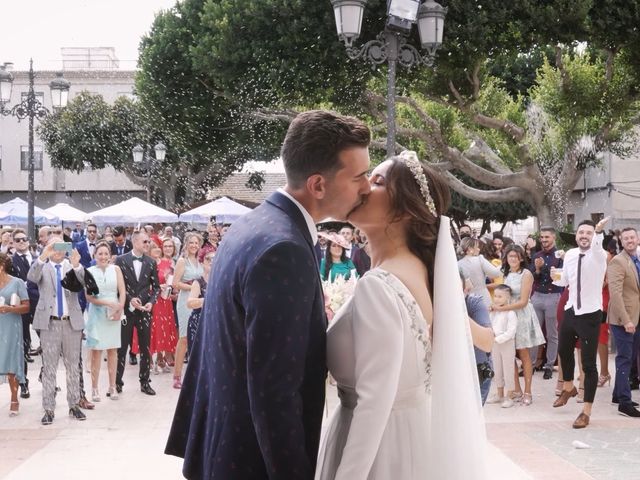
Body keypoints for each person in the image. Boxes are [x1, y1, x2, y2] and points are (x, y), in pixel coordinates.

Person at [165, 110, 373, 479]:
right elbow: (275, 391)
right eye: (359, 177)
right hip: (250, 462)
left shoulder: (252, 224)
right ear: (318, 185)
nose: (367, 188)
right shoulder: (283, 248)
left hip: (224, 447)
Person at [315, 151, 491, 479]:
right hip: (413, 438)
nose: (365, 186)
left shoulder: (378, 285)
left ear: (404, 210)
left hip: (379, 453)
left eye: (378, 181)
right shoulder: (424, 275)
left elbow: (374, 402)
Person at [553, 218, 609, 429]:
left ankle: (586, 412)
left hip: (590, 314)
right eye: (581, 233)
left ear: (592, 237)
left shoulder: (599, 254)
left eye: (588, 233)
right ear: (576, 236)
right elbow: (565, 280)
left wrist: (599, 231)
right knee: (563, 351)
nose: (584, 236)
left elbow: (597, 246)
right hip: (571, 310)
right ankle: (568, 387)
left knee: (588, 364)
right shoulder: (570, 254)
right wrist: (556, 277)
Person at [28, 239, 88, 425]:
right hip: (50, 323)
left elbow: (84, 282)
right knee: (49, 368)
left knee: (73, 366)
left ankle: (74, 404)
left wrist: (77, 264)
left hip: (71, 323)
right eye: (54, 247)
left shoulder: (72, 266)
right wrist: (43, 255)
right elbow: (31, 277)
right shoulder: (43, 266)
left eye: (61, 247)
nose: (57, 251)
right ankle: (48, 408)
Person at [492, 244, 545, 406]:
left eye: (516, 256)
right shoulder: (505, 273)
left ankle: (528, 391)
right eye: (510, 256)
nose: (513, 259)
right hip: (507, 316)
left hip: (521, 315)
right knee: (509, 354)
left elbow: (522, 302)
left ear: (521, 258)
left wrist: (501, 308)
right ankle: (516, 390)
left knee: (523, 354)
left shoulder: (526, 274)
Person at [114, 231, 160, 396]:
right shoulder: (120, 260)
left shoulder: (151, 262)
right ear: (135, 242)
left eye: (148, 242)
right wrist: (129, 299)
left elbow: (156, 287)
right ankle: (117, 383)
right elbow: (117, 286)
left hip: (144, 312)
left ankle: (145, 382)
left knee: (145, 347)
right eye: (145, 242)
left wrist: (151, 302)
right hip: (126, 311)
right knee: (122, 348)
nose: (148, 244)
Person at [85, 242, 126, 401]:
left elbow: (122, 290)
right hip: (97, 313)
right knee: (96, 352)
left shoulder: (116, 269)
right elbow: (89, 297)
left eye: (105, 254)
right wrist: (107, 303)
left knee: (113, 351)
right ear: (95, 255)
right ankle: (94, 388)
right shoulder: (88, 271)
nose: (103, 257)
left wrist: (119, 308)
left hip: (114, 313)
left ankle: (112, 386)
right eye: (100, 254)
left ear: (110, 255)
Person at [606, 227, 640, 417]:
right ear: (621, 240)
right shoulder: (618, 262)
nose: (629, 240)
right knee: (625, 359)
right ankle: (624, 404)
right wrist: (626, 320)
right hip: (623, 319)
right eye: (626, 238)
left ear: (637, 239)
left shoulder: (635, 259)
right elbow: (616, 295)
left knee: (629, 357)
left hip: (636, 316)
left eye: (632, 237)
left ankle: (618, 395)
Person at [530, 226, 564, 380]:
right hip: (537, 296)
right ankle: (530, 364)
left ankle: (549, 366)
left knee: (552, 334)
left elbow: (562, 280)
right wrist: (537, 269)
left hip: (553, 296)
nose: (544, 240)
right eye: (542, 237)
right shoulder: (536, 255)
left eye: (547, 237)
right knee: (534, 332)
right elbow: (532, 277)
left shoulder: (560, 255)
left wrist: (554, 272)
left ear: (553, 237)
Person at [171, 232, 203, 389]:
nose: (194, 245)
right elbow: (175, 283)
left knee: (197, 338)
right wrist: (194, 287)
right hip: (185, 301)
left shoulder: (200, 262)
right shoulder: (182, 261)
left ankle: (195, 374)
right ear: (186, 244)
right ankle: (177, 376)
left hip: (197, 301)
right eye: (191, 243)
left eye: (196, 243)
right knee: (183, 337)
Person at [0, 253, 30, 416]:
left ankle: (14, 398)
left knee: (12, 361)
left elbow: (26, 307)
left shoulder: (17, 282)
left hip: (11, 326)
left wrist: (11, 309)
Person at [10, 228, 38, 398]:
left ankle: (47, 377)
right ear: (13, 242)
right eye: (18, 240)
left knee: (49, 344)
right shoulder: (10, 261)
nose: (21, 242)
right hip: (22, 307)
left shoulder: (37, 259)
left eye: (24, 239)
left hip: (40, 307)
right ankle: (23, 382)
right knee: (23, 346)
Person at [487, 285, 518, 409]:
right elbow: (490, 325)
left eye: (500, 297)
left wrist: (498, 339)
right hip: (495, 344)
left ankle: (509, 396)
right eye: (495, 296)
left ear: (508, 298)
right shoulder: (494, 312)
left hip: (506, 343)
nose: (497, 299)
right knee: (497, 369)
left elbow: (511, 331)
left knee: (508, 370)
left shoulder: (511, 313)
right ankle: (499, 394)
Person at [150, 239, 178, 374]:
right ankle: (151, 360)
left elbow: (171, 281)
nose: (156, 250)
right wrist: (155, 287)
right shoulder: (147, 263)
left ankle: (161, 359)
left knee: (165, 329)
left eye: (157, 247)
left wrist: (168, 286)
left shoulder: (167, 264)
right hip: (153, 300)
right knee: (154, 329)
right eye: (152, 247)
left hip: (165, 300)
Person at [457, 237, 501, 307]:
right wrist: (502, 265)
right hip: (482, 297)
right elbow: (495, 273)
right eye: (477, 247)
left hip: (465, 299)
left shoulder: (458, 264)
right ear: (470, 249)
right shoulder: (480, 259)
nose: (479, 249)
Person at [186, 251, 214, 353]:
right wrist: (207, 300)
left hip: (216, 321)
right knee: (198, 355)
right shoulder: (198, 282)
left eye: (215, 258)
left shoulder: (221, 280)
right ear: (202, 264)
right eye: (208, 259)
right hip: (199, 321)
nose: (212, 261)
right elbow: (189, 303)